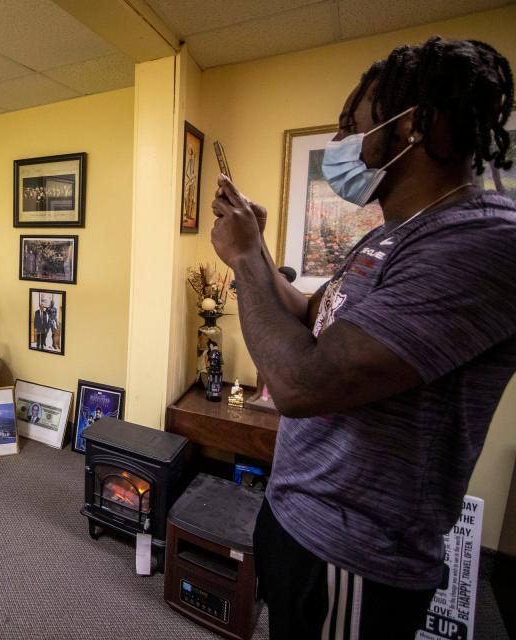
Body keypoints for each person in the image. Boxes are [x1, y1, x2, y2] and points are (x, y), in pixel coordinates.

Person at [210, 38, 515, 638]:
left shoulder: (479, 244)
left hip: (353, 549)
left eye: (355, 127)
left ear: (414, 127)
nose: (343, 144)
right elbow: (305, 318)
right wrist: (260, 250)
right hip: (297, 512)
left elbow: (301, 382)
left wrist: (245, 257)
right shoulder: (390, 236)